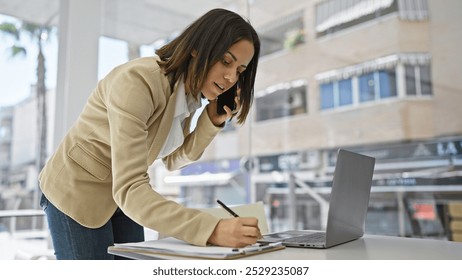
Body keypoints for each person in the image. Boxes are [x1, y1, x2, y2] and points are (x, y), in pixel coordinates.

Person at [38, 8, 261, 260]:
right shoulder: (138, 81)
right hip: (77, 190)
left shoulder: (186, 96)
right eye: (225, 61)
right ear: (197, 49)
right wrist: (211, 229)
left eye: (240, 71)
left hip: (121, 195)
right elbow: (131, 187)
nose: (231, 77)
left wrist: (209, 122)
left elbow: (172, 160)